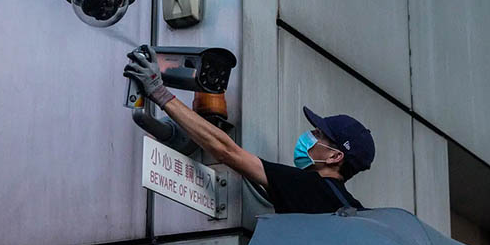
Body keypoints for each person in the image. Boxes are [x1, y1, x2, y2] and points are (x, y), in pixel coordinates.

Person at [124, 46, 375, 214]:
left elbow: (225, 150)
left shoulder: (307, 186)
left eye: (319, 135)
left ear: (334, 156)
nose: (310, 136)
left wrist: (160, 92)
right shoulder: (354, 211)